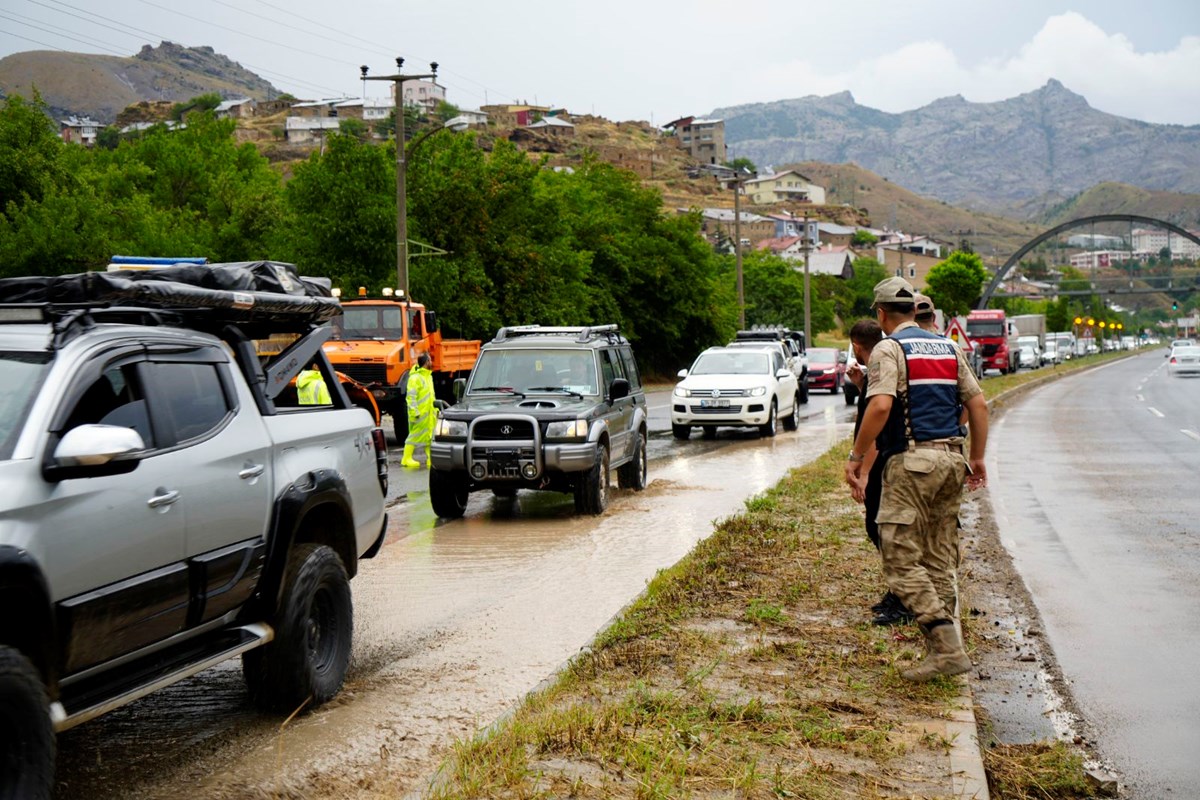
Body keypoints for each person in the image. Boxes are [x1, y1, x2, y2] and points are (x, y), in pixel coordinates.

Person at [844, 277, 989, 682]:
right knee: (940, 557)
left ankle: (944, 644)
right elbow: (977, 403)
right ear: (915, 312)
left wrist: (857, 457)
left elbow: (880, 406)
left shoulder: (888, 348)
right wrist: (976, 456)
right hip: (951, 461)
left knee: (898, 555)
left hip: (912, 463)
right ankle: (947, 651)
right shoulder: (948, 346)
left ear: (881, 314)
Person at [847, 319, 912, 626]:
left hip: (884, 463)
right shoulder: (877, 372)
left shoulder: (879, 368)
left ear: (856, 346)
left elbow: (879, 422)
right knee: (882, 530)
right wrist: (860, 386)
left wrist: (864, 472)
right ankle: (898, 593)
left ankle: (904, 600)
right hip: (891, 460)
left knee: (883, 531)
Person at [402, 353, 434, 468]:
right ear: (426, 362)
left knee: (430, 437)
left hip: (429, 414)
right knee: (414, 436)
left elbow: (430, 396)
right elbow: (411, 397)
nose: (432, 362)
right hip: (420, 414)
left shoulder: (428, 376)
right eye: (430, 360)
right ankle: (406, 458)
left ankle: (431, 458)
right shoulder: (415, 378)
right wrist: (415, 412)